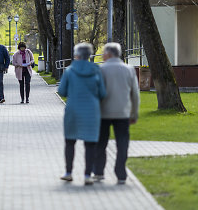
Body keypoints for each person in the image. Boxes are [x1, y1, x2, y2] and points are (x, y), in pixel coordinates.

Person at [58, 43, 106, 185]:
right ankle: (87, 175)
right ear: (89, 55)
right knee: (90, 144)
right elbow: (102, 92)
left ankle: (68, 172)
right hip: (92, 111)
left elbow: (61, 91)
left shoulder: (70, 70)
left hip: (73, 110)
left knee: (70, 142)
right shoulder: (97, 70)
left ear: (77, 55)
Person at [93, 42, 140, 185]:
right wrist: (134, 113)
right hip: (122, 113)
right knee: (122, 143)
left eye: (103, 52)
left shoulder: (100, 69)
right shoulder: (129, 69)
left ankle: (99, 172)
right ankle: (121, 174)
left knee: (101, 143)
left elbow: (94, 93)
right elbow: (135, 94)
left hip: (103, 113)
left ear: (108, 54)